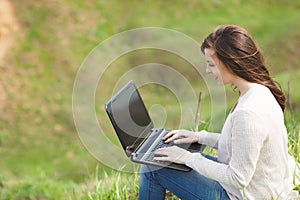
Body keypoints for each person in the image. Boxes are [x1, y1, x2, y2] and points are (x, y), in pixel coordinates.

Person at [138, 25, 296, 200]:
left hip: (242, 195)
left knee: (152, 168)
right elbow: (242, 144)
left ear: (230, 63)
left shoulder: (248, 114)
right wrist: (199, 137)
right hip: (257, 188)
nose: (208, 70)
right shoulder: (260, 91)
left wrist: (187, 158)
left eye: (211, 64)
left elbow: (237, 178)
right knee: (159, 160)